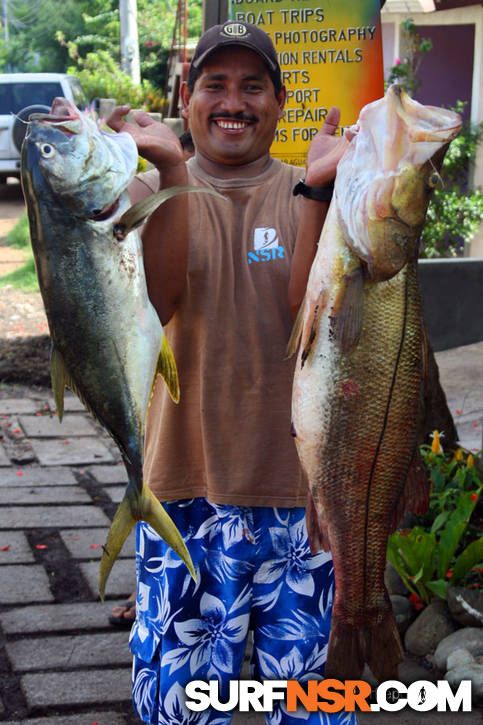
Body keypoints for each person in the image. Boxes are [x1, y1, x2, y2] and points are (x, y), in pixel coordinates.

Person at [107, 20, 357, 725]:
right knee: (180, 710)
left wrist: (315, 191)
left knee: (311, 709)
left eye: (253, 86)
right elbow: (159, 301)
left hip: (302, 499)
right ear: (186, 98)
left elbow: (304, 314)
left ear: (279, 103)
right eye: (215, 84)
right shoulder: (145, 189)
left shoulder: (317, 191)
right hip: (182, 492)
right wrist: (171, 172)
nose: (233, 101)